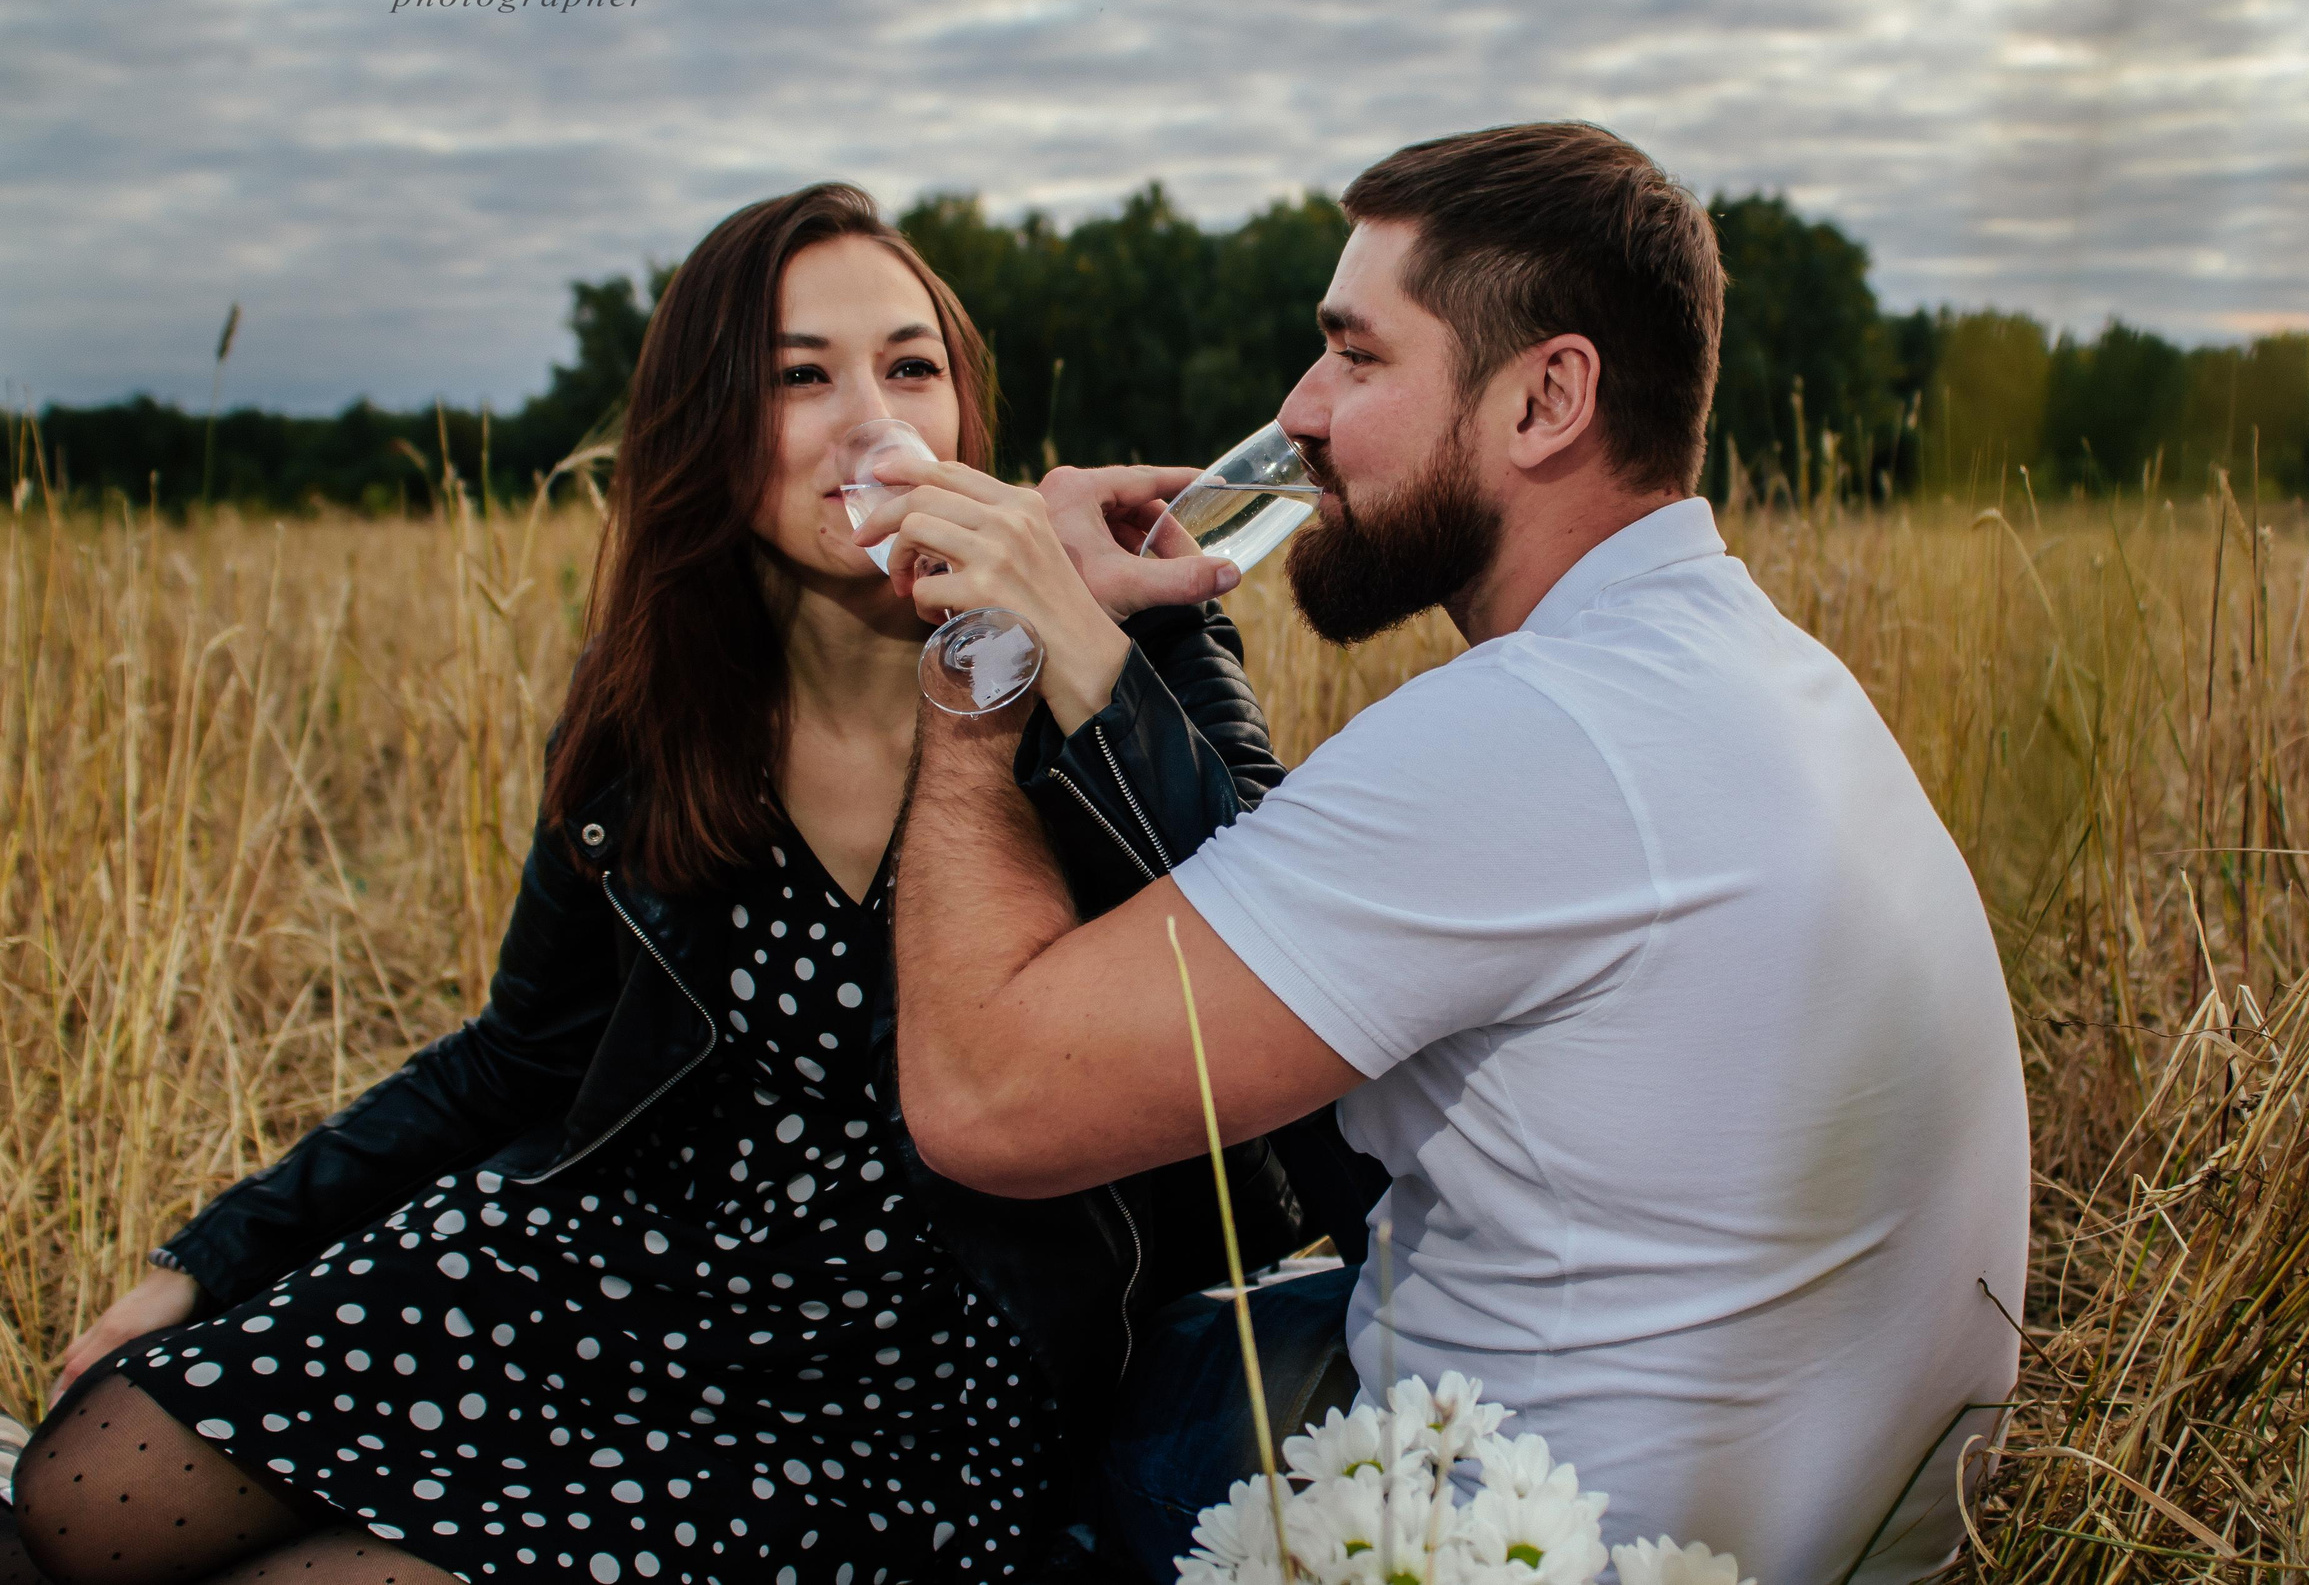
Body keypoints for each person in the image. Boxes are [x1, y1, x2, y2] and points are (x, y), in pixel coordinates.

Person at [1, 182, 1333, 1585]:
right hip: (614, 1265)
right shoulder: (665, 706)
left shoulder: (1128, 640)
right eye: (797, 377)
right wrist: (216, 1254)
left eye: (910, 367)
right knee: (82, 1486)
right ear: (710, 427)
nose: (868, 422)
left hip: (910, 1374)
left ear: (963, 419)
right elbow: (521, 1053)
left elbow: (1289, 936)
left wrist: (1062, 639)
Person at [864, 123, 2033, 1585]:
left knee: (985, 1426)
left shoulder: (1531, 730)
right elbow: (1287, 916)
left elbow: (983, 1098)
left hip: (1528, 1534)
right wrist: (1165, 623)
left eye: (1357, 358)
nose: (1300, 412)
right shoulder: (1754, 675)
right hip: (1821, 1521)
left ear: (1548, 395)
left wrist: (984, 678)